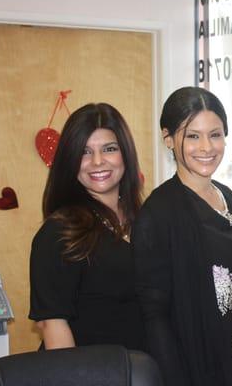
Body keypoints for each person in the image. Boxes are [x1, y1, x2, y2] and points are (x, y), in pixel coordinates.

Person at [131, 87, 232, 386]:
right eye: (192, 135)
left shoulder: (227, 196)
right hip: (195, 370)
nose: (207, 146)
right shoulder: (158, 213)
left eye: (215, 134)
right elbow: (154, 317)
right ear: (168, 138)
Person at [29, 102, 145, 351]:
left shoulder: (146, 220)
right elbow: (53, 325)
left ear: (126, 154)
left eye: (109, 149)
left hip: (144, 371)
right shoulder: (59, 232)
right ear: (70, 160)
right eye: (84, 152)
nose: (98, 161)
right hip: (92, 374)